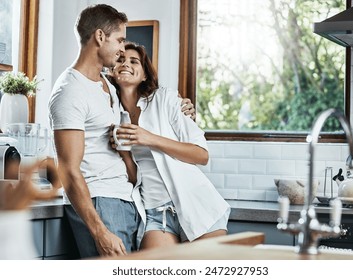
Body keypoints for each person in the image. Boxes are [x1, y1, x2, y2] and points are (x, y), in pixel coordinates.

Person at [48, 4, 195, 258]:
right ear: (100, 36)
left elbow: (140, 94)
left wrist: (183, 108)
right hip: (100, 204)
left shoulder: (106, 83)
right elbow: (69, 171)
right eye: (119, 39)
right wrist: (99, 231)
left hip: (128, 201)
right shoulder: (69, 91)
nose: (121, 48)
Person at [108, 42, 231, 249]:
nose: (126, 64)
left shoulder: (166, 99)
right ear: (112, 71)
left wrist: (149, 138)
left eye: (134, 61)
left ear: (145, 75)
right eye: (120, 60)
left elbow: (201, 155)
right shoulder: (112, 114)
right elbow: (133, 178)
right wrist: (124, 154)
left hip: (198, 206)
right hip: (156, 215)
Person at [0, 159, 61, 259]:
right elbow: (52, 194)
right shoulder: (25, 193)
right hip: (18, 253)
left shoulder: (16, 193)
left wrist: (33, 167)